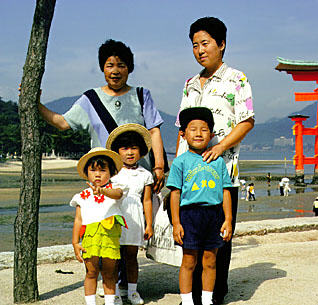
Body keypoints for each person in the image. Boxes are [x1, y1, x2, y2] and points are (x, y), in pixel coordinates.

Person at [175, 17, 255, 305]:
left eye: (205, 43)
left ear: (221, 44)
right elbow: (181, 130)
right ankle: (192, 296)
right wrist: (177, 167)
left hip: (224, 174)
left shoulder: (237, 78)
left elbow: (246, 122)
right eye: (195, 45)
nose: (199, 50)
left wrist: (220, 146)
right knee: (191, 238)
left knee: (220, 237)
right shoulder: (189, 84)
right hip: (191, 176)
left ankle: (215, 294)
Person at [37, 39, 166, 192]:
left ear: (129, 69)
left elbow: (154, 132)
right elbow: (62, 123)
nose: (115, 71)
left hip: (140, 179)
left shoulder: (141, 95)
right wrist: (36, 103)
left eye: (121, 65)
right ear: (103, 68)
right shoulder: (90, 99)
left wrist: (159, 167)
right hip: (104, 181)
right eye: (110, 65)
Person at [167, 107, 233, 305]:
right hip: (189, 216)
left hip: (214, 215)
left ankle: (207, 300)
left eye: (204, 129)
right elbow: (175, 193)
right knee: (189, 260)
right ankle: (187, 301)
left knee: (210, 260)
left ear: (211, 135)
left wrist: (228, 219)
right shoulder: (180, 162)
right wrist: (176, 223)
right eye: (192, 129)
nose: (198, 133)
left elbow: (226, 191)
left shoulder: (218, 162)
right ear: (183, 134)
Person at [70, 147, 125, 305]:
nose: (98, 174)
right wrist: (75, 243)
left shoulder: (113, 190)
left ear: (111, 172)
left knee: (110, 273)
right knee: (91, 272)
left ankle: (110, 302)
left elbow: (118, 194)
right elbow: (78, 220)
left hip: (110, 237)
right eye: (93, 170)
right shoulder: (82, 196)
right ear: (87, 173)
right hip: (90, 237)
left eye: (102, 170)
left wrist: (102, 191)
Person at [106, 124, 154, 305]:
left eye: (134, 148)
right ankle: (115, 293)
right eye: (125, 148)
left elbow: (147, 201)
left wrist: (149, 224)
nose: (129, 152)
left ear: (141, 151)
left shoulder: (145, 174)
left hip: (135, 218)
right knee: (114, 259)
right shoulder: (112, 173)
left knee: (132, 257)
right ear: (117, 151)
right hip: (115, 217)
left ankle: (133, 292)